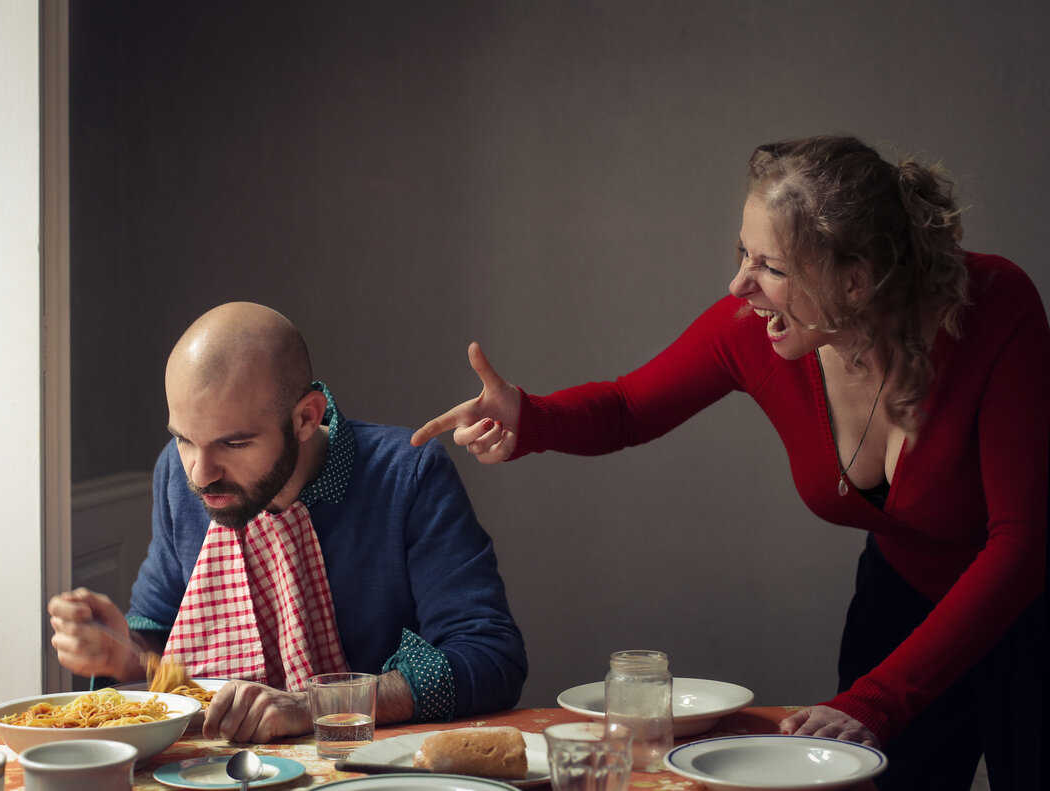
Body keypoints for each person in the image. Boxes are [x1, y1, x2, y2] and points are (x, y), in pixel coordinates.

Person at [412, 135, 1047, 791]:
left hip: (1029, 604)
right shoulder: (754, 329)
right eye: (742, 252)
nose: (739, 283)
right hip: (903, 598)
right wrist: (530, 417)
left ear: (853, 281)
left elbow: (1021, 544)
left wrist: (878, 697)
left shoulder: (995, 305)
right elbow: (630, 406)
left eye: (770, 265)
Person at [50, 302, 527, 744]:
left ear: (305, 417)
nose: (200, 472)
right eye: (184, 439)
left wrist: (317, 706)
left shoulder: (407, 474)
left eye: (233, 444)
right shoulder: (177, 474)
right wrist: (121, 651)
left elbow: (489, 658)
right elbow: (157, 630)